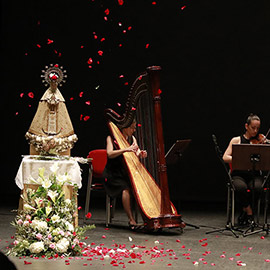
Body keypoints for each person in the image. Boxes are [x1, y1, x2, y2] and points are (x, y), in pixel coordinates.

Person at [103, 120, 147, 229]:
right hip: (112, 174)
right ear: (125, 128)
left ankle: (147, 217)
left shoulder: (132, 139)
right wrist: (126, 149)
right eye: (132, 127)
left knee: (138, 186)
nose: (134, 130)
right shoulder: (111, 138)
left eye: (135, 127)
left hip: (124, 172)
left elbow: (136, 152)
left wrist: (140, 154)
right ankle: (131, 219)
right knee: (125, 188)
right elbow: (109, 154)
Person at [223, 114, 264, 225]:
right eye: (253, 128)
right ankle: (249, 210)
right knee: (240, 187)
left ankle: (245, 213)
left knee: (258, 188)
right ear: (246, 126)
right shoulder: (236, 140)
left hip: (253, 174)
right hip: (238, 174)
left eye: (257, 128)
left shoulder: (260, 141)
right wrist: (240, 159)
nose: (255, 131)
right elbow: (225, 157)